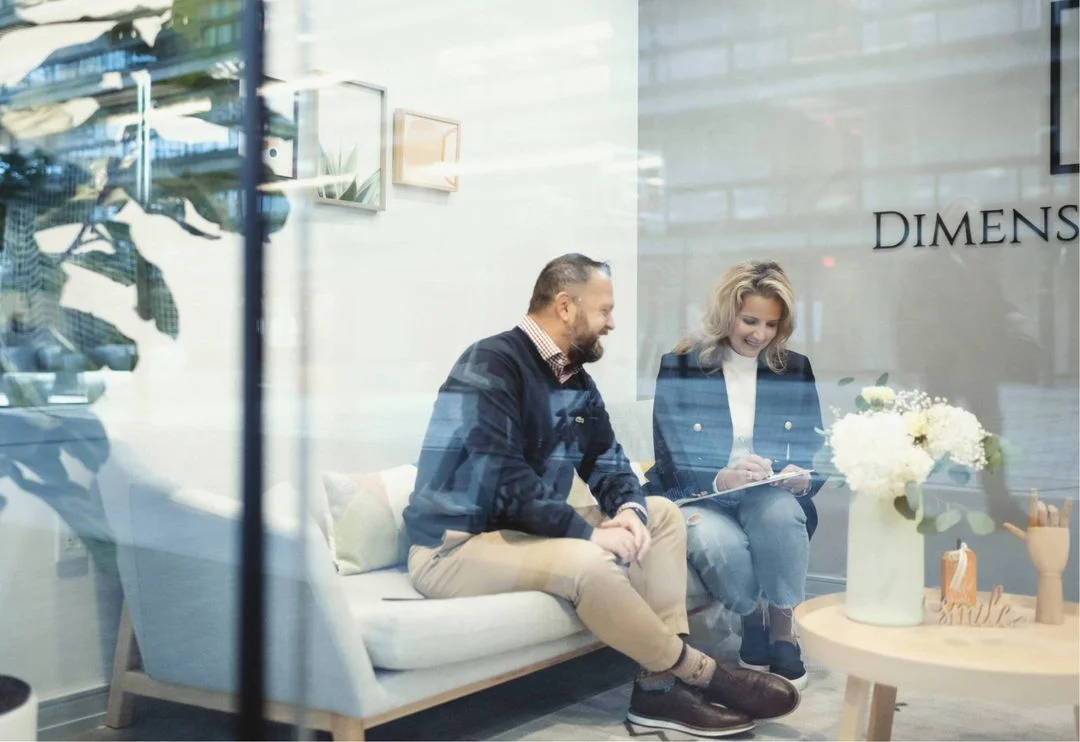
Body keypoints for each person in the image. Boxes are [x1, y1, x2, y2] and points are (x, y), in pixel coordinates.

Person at [402, 254, 800, 738]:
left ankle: (658, 690)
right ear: (566, 306)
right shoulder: (490, 363)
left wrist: (629, 511)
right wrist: (588, 533)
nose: (612, 323)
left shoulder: (574, 378)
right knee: (588, 563)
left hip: (524, 533)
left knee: (663, 513)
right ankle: (699, 674)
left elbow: (608, 461)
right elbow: (502, 477)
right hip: (455, 545)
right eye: (604, 310)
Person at [647, 260, 824, 690]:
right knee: (714, 542)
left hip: (768, 494)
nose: (759, 334)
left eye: (770, 324)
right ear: (727, 313)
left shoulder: (793, 367)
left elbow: (815, 445)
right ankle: (752, 622)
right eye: (750, 320)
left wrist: (802, 477)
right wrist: (719, 479)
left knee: (781, 514)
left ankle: (784, 632)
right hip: (702, 496)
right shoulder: (682, 365)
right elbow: (669, 454)